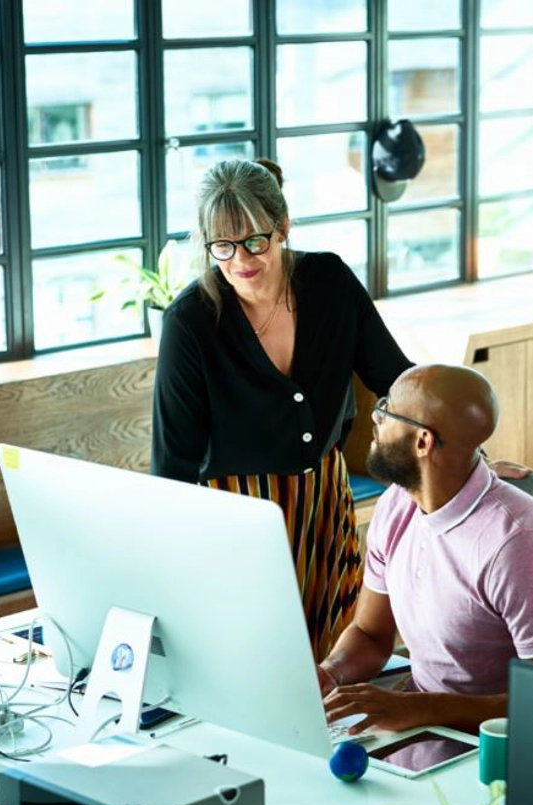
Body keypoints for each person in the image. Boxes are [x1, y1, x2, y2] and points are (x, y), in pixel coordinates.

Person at [151, 158, 413, 662]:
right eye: (222, 246)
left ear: (283, 226)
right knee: (259, 661)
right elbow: (173, 464)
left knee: (341, 658)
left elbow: (397, 380)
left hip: (324, 503)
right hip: (238, 519)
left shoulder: (330, 282)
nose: (240, 260)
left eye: (254, 240)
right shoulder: (190, 323)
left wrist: (470, 459)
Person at [317, 364, 533, 734]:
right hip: (421, 724)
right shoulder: (396, 506)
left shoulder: (518, 544)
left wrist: (422, 708)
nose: (376, 419)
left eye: (386, 410)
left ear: (422, 442)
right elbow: (369, 634)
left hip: (493, 748)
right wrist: (329, 674)